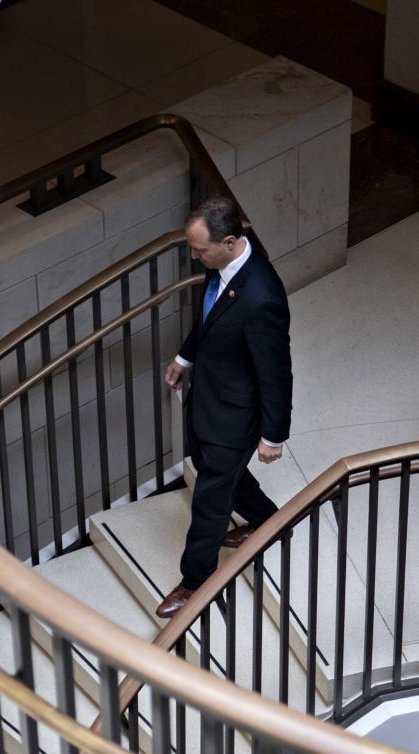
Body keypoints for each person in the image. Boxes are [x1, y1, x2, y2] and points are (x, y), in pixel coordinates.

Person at [156, 195, 293, 618]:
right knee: (213, 467)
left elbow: (276, 373)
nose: (194, 256)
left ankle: (195, 583)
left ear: (230, 241)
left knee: (209, 501)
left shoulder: (262, 298)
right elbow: (210, 319)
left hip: (236, 415)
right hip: (209, 398)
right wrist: (185, 356)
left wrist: (273, 435)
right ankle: (267, 518)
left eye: (200, 249)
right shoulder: (220, 269)